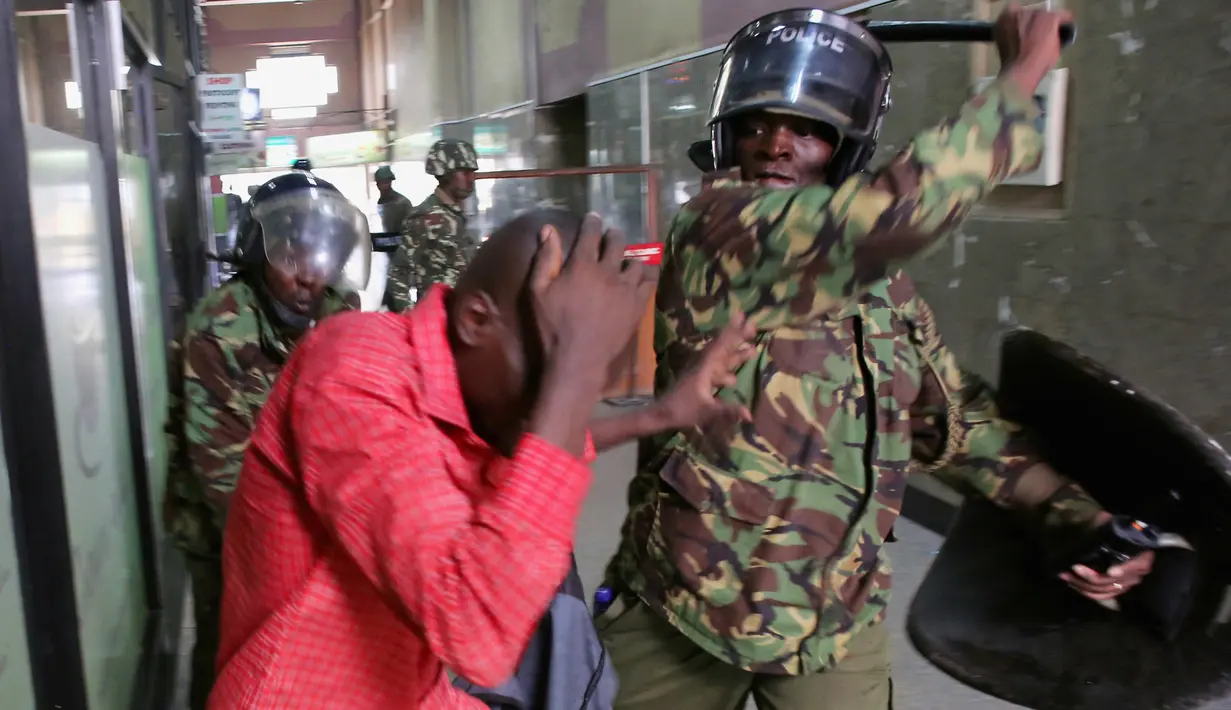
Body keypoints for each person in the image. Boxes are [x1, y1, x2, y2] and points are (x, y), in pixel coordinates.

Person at [597, 5, 1156, 710]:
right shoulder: (717, 226)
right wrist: (1022, 76)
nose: (776, 144)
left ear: (843, 148)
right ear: (726, 137)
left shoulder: (881, 289)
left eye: (807, 129)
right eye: (757, 124)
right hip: (682, 605)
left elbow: (954, 422)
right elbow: (887, 216)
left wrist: (1078, 518)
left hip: (833, 616)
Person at [208, 209, 756, 708]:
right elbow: (477, 631)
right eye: (557, 367)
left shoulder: (477, 397)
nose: (566, 398)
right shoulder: (355, 368)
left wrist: (657, 415)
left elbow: (531, 430)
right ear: (475, 319)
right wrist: (577, 365)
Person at [162, 171, 369, 710]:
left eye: (324, 258)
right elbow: (225, 475)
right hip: (223, 533)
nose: (310, 277)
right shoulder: (217, 329)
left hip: (312, 516)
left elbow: (360, 420)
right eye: (293, 259)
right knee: (230, 654)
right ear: (262, 254)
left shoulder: (338, 312)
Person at [385, 138, 479, 312]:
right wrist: (410, 319)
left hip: (462, 315)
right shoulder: (425, 217)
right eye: (465, 172)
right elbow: (398, 273)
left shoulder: (456, 216)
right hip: (436, 318)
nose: (472, 178)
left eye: (473, 172)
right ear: (446, 174)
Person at [374, 165, 414, 234]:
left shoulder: (402, 202)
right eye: (381, 182)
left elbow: (412, 227)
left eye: (386, 182)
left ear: (390, 182)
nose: (383, 186)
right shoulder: (381, 201)